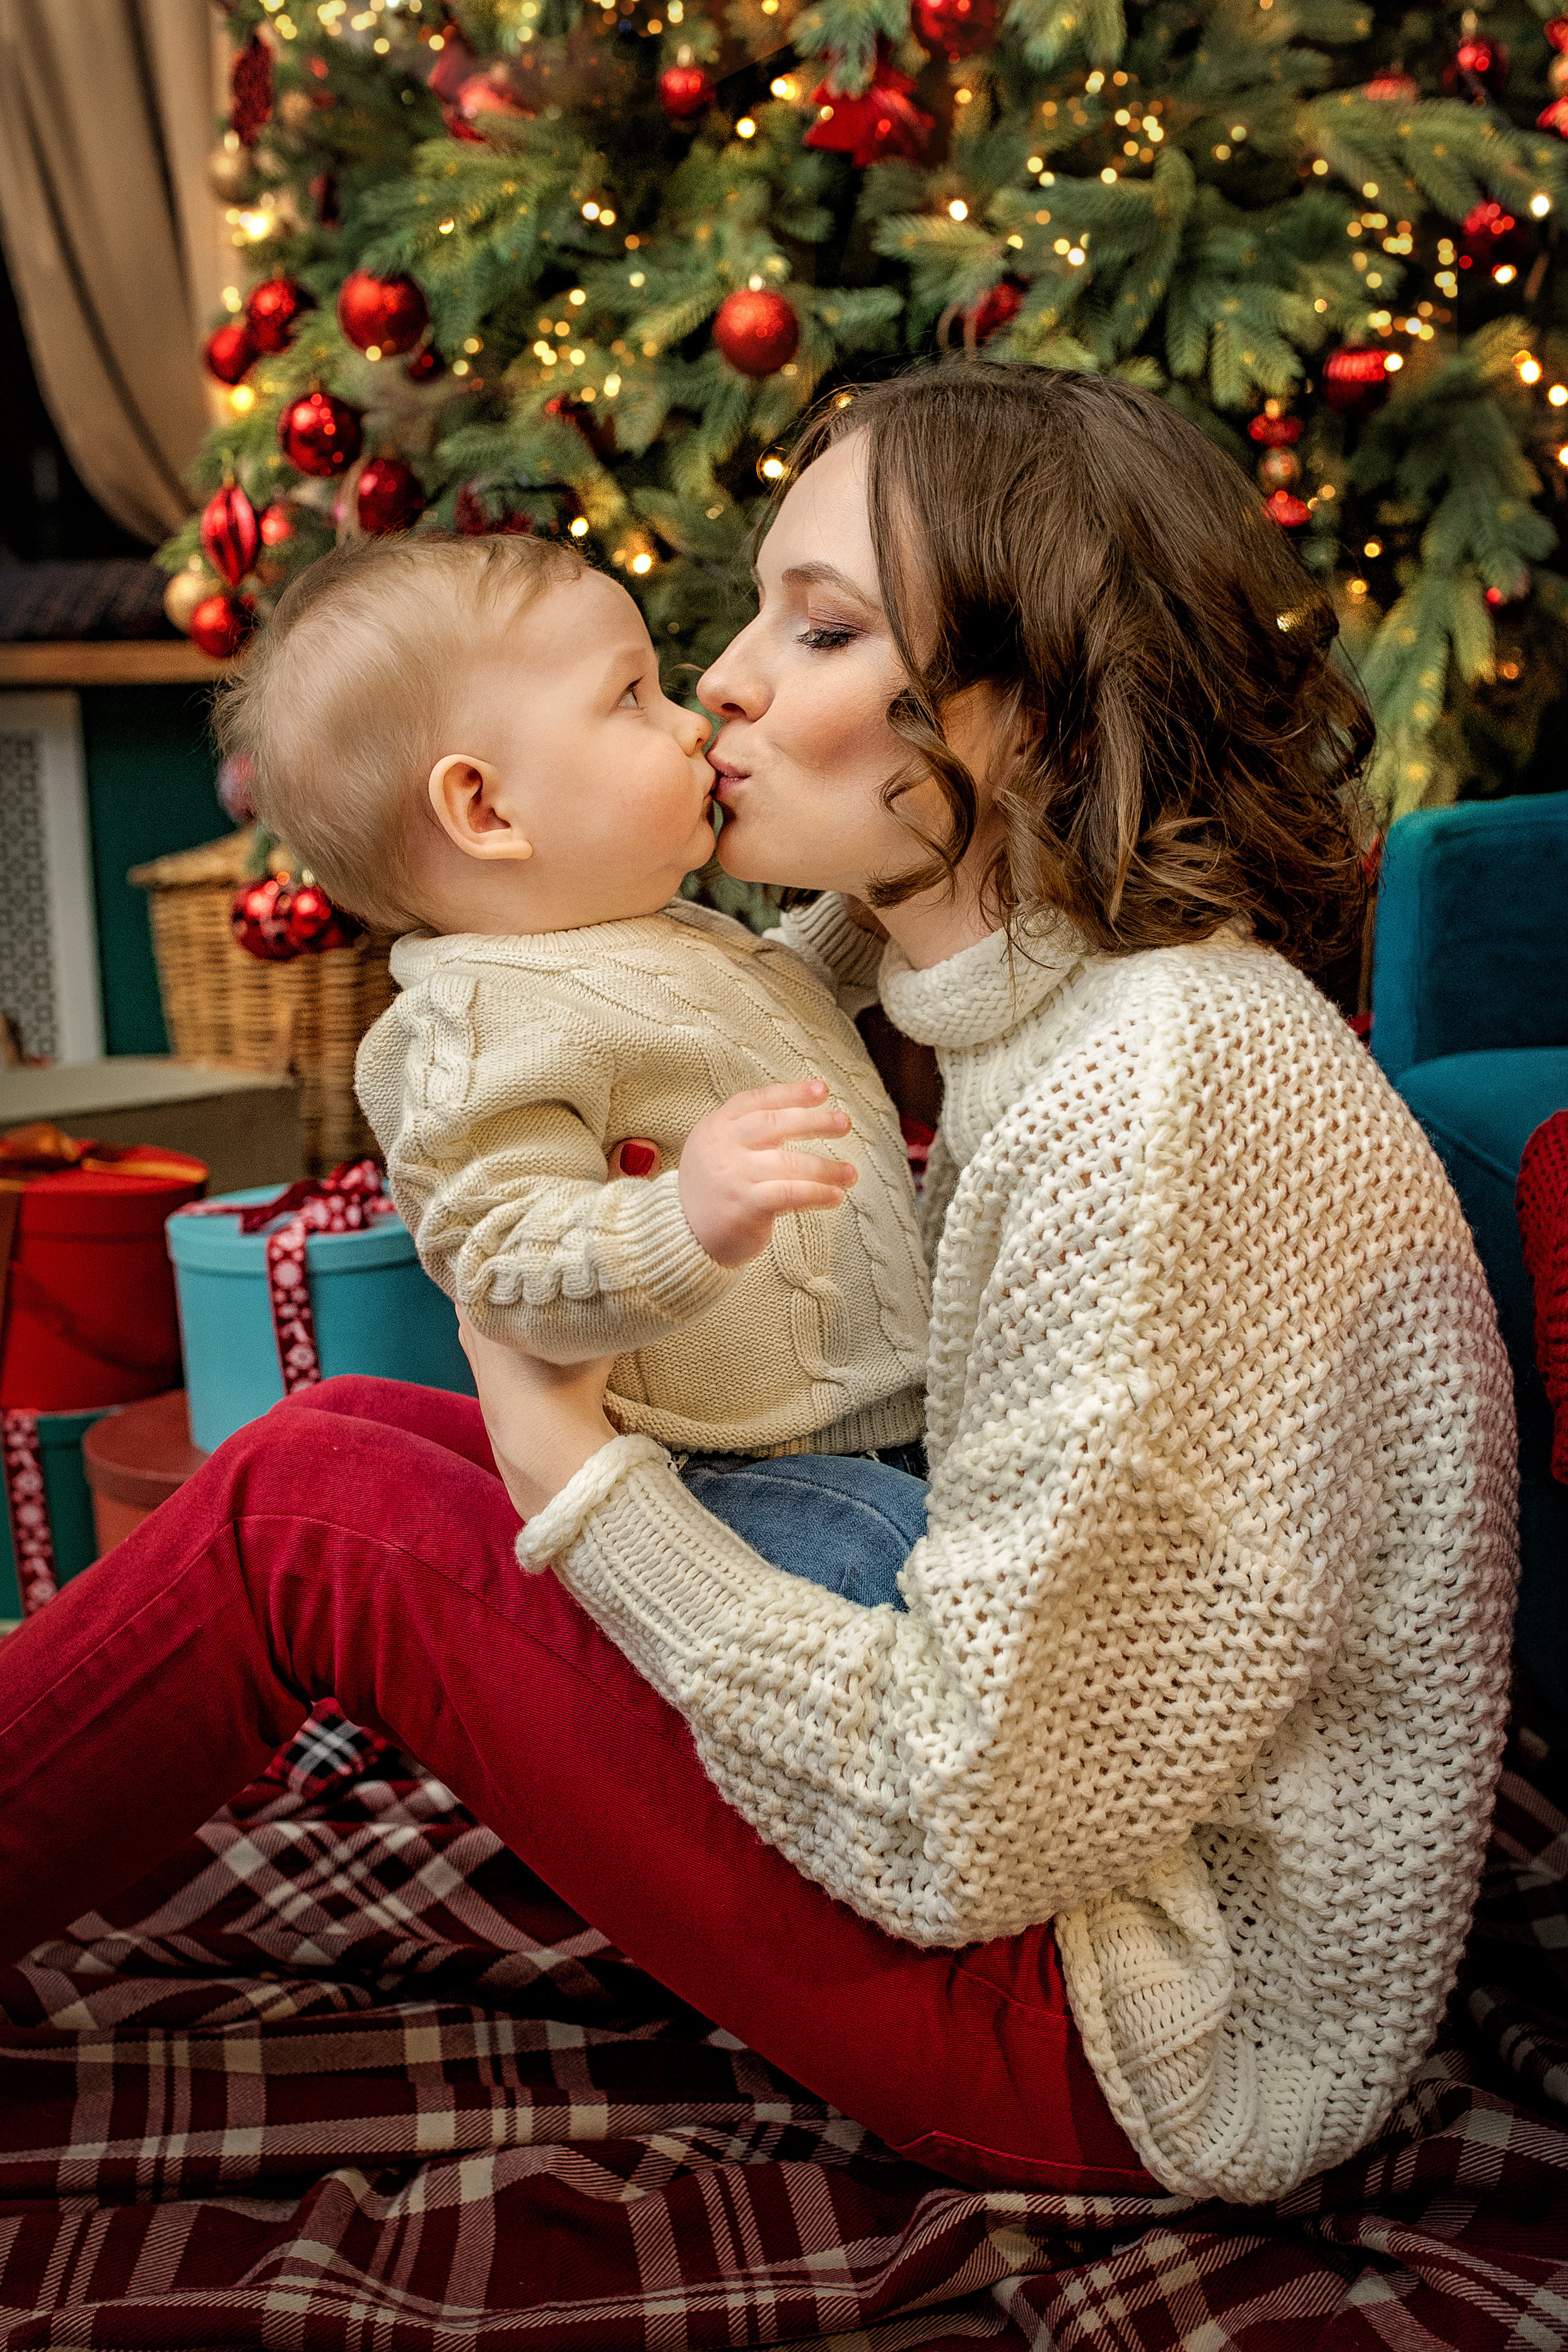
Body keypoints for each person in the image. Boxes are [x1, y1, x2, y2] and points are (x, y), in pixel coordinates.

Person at [0, 365, 1516, 2209]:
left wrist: (581, 1489)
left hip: (1120, 2035)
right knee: (347, 1445)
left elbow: (964, 1820)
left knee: (315, 1509)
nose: (717, 680)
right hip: (1064, 1879)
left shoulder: (1165, 1099)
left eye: (814, 626)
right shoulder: (1051, 998)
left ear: (1019, 714)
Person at [214, 531, 933, 1604]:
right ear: (488, 810)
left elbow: (778, 996)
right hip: (734, 1477)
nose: (694, 719)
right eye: (632, 696)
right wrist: (678, 1220)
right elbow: (498, 1257)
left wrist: (881, 900)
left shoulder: (659, 933)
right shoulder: (475, 1022)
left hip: (884, 1421)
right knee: (919, 1573)